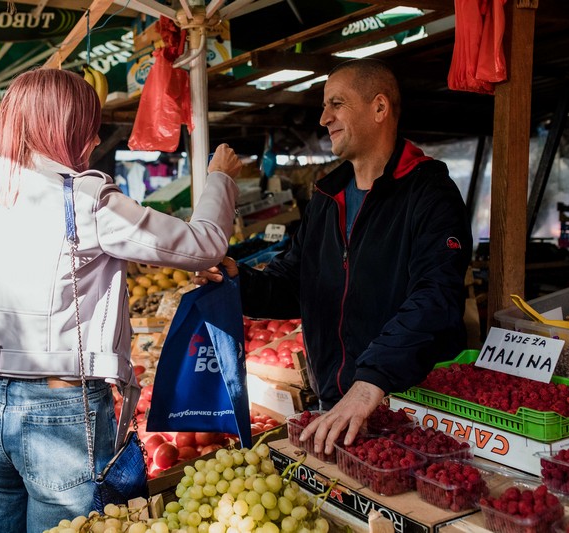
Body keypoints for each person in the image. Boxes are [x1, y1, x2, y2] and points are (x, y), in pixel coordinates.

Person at [0, 68, 241, 532]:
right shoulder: (84, 200)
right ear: (66, 126)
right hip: (59, 410)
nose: (95, 137)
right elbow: (204, 244)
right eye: (89, 124)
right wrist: (219, 180)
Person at [194, 58, 472, 458]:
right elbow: (294, 284)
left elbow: (436, 296)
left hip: (413, 409)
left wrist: (370, 382)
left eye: (336, 104)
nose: (324, 118)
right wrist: (239, 280)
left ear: (379, 108)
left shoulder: (429, 193)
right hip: (338, 405)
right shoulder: (327, 198)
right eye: (325, 106)